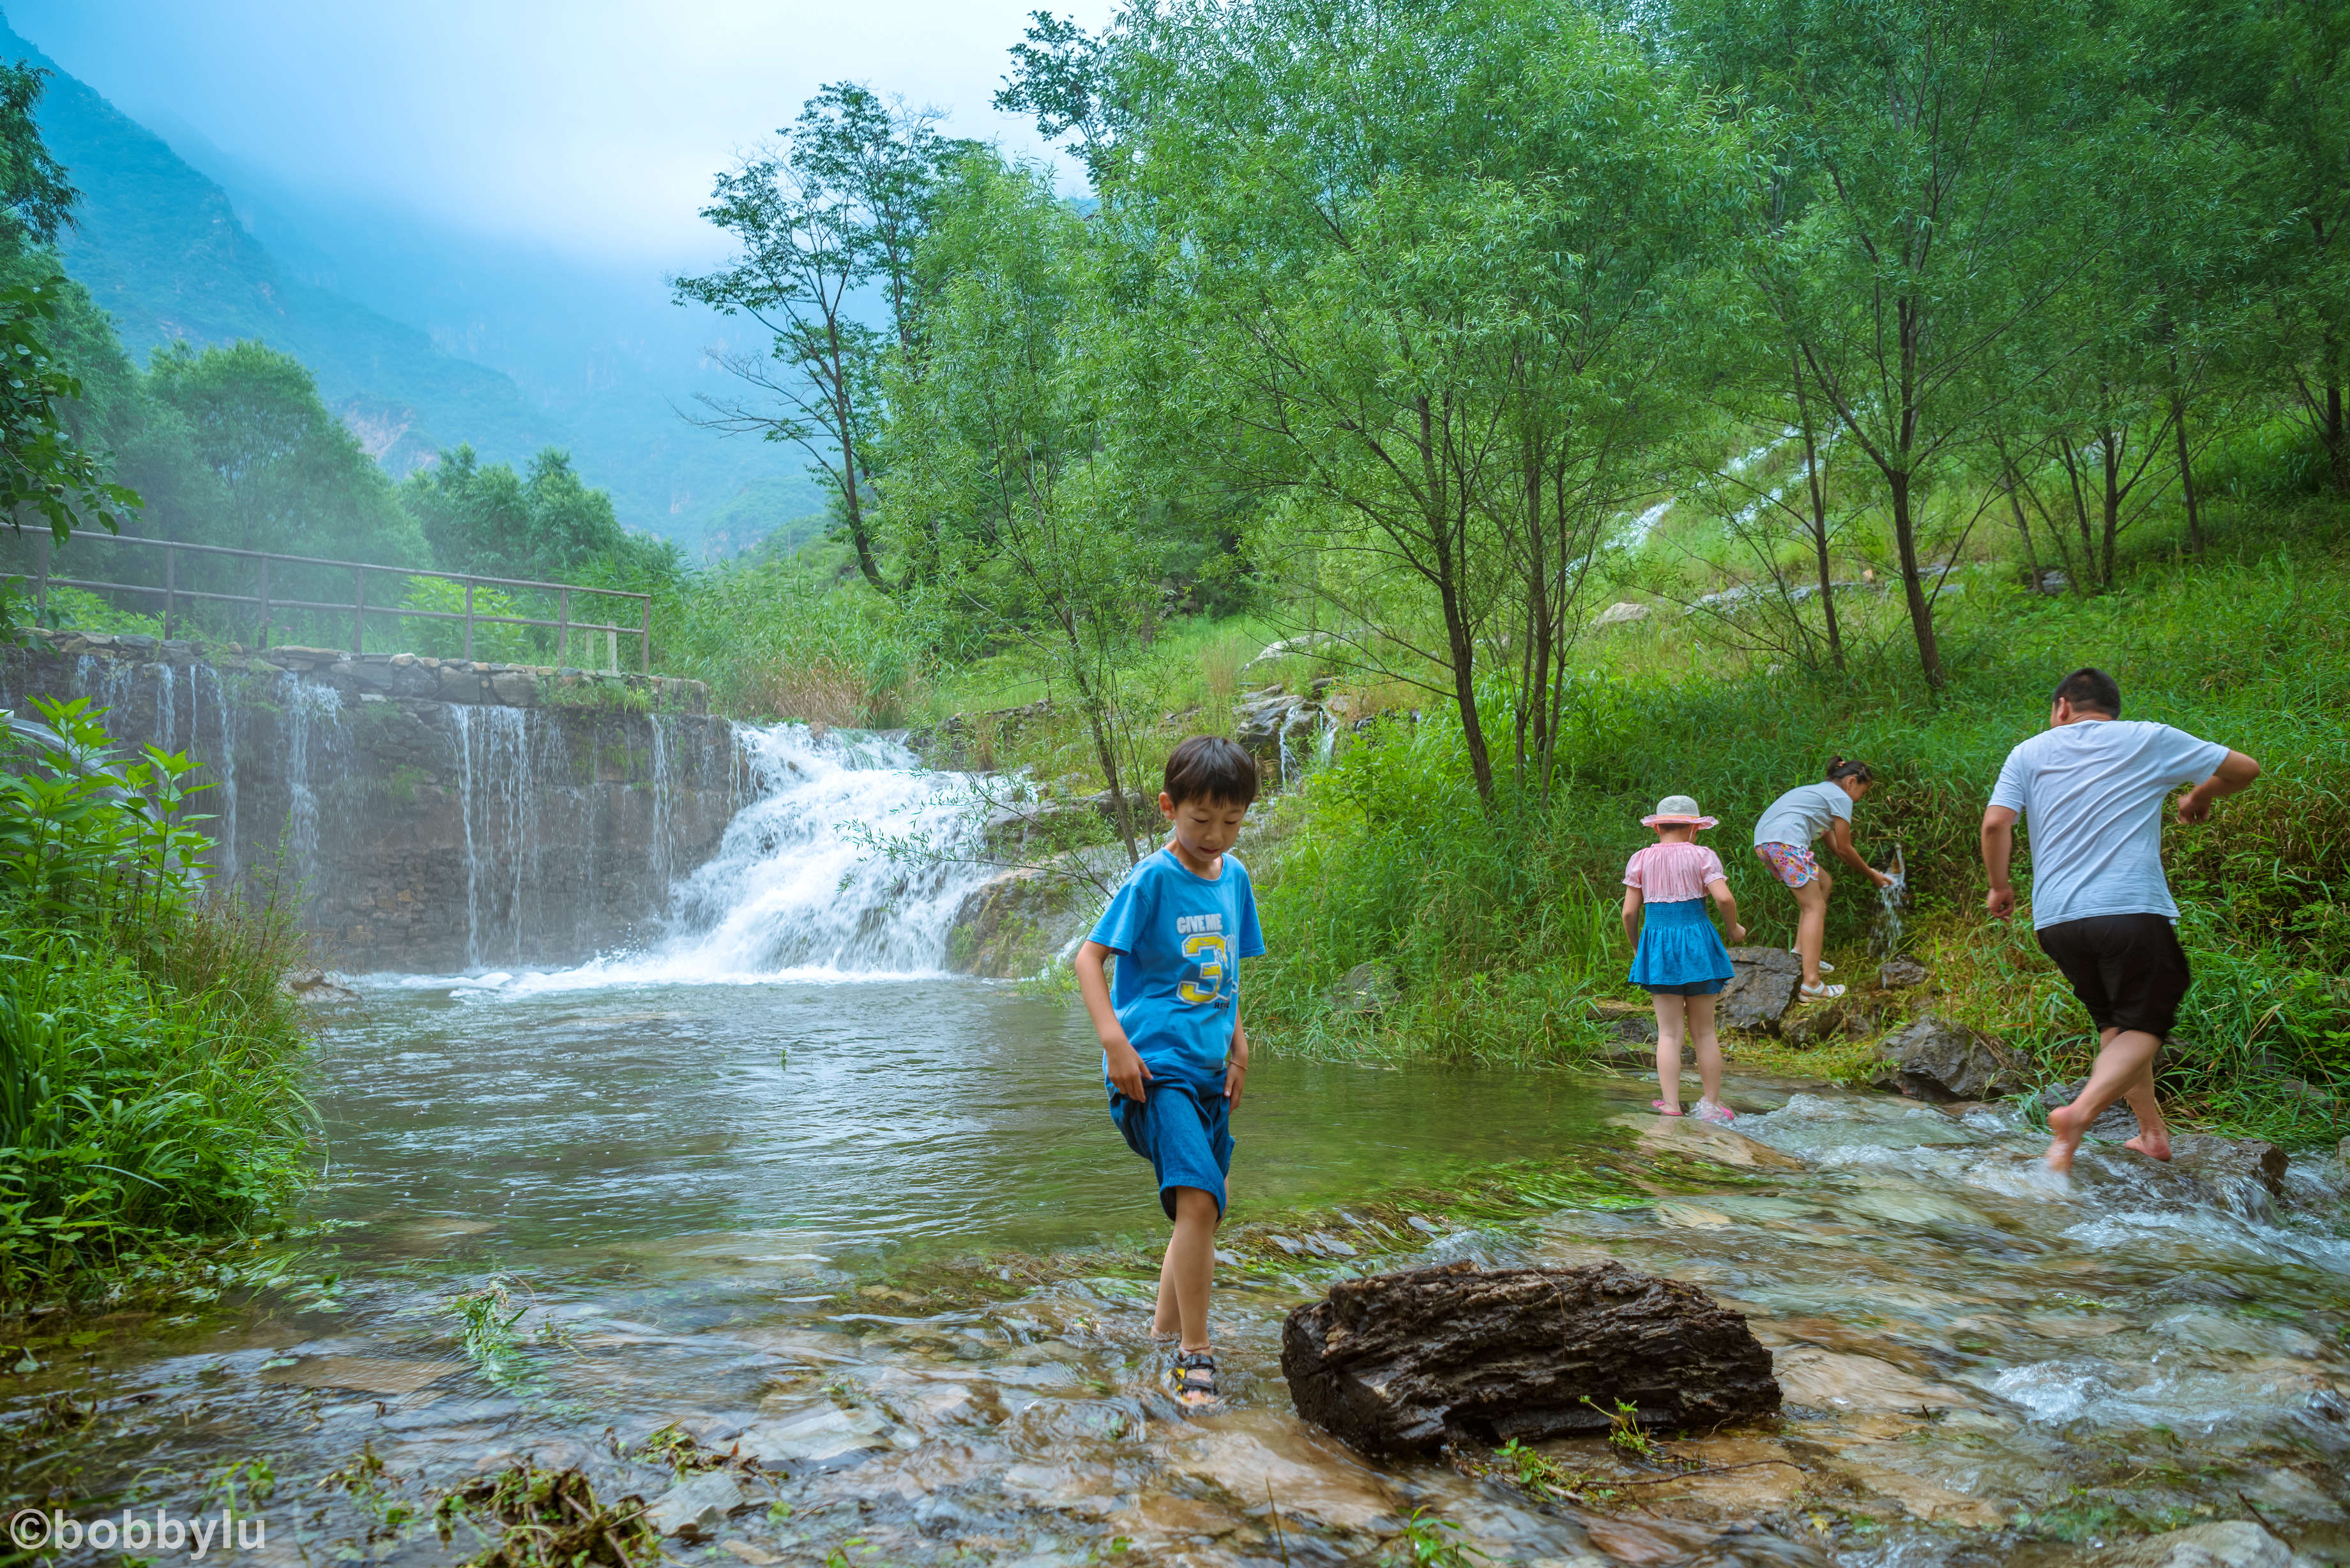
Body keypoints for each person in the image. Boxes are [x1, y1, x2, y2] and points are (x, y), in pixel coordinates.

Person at [1980, 667, 2261, 1175]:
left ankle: (2151, 1134)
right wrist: (2198, 796)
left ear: (2062, 707)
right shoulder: (2147, 738)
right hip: (2129, 910)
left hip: (2057, 921)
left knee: (2117, 1026)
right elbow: (2245, 769)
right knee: (2146, 1021)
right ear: (2109, 709)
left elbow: (1997, 822)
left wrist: (2000, 886)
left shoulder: (2027, 752)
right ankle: (2078, 1115)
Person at [1074, 735, 1264, 1408]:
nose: (1215, 835)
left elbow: (1227, 976)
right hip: (1153, 1072)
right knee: (1199, 1199)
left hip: (1209, 1070)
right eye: (1200, 821)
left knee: (1201, 1213)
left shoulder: (1234, 878)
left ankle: (1158, 1338)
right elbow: (1087, 959)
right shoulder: (1151, 879)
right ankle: (1194, 1353)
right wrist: (1114, 1044)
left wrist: (1239, 1049)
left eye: (1231, 822)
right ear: (1167, 808)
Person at [1623, 795, 1748, 1124]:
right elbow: (1723, 897)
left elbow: (1629, 913)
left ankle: (1672, 1104)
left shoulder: (1641, 859)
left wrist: (1639, 949)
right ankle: (1711, 1104)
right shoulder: (1702, 856)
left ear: (1658, 826)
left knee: (1669, 1033)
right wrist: (1733, 929)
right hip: (1699, 946)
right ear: (1694, 828)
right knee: (1705, 1032)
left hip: (1659, 946)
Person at [1752, 758, 1895, 1000]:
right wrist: (1872, 875)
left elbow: (1838, 848)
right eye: (1863, 791)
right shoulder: (1841, 798)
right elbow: (1846, 848)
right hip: (1785, 843)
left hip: (1767, 843)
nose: (1860, 798)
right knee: (1814, 907)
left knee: (1823, 882)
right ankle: (1812, 985)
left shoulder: (1819, 793)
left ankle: (1802, 954)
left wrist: (1865, 869)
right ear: (1851, 782)